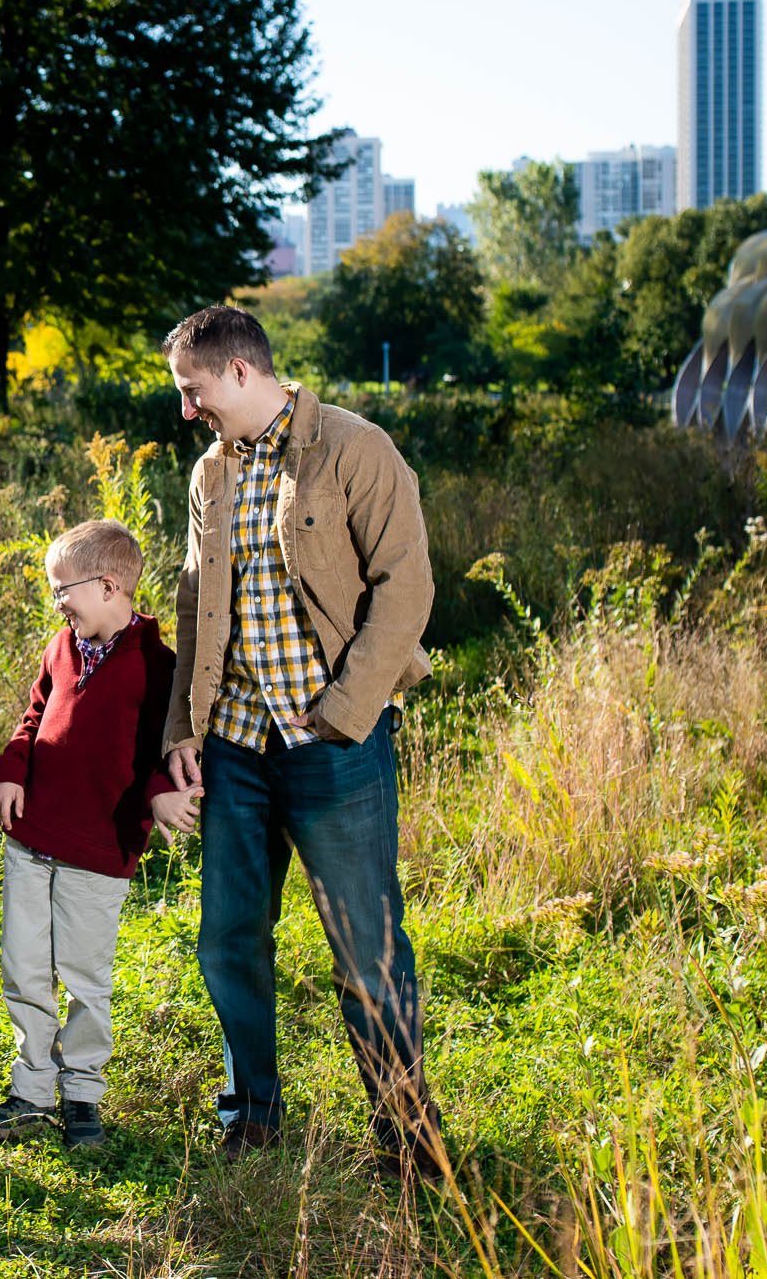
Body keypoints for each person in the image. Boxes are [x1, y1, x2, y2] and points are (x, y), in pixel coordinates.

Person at [157, 305, 444, 1176]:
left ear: (239, 373)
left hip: (334, 745)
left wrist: (348, 710)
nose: (186, 409)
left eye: (192, 390)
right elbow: (194, 603)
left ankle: (409, 1140)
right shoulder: (212, 472)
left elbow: (406, 587)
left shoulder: (357, 449)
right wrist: (182, 728)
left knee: (366, 948)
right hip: (237, 747)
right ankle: (254, 1115)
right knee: (229, 939)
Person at [0, 520, 203, 1149]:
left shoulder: (158, 667)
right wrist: (10, 772)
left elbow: (166, 745)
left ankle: (81, 1097)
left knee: (83, 977)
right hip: (32, 833)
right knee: (23, 967)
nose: (58, 603)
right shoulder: (61, 647)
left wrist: (160, 795)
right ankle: (32, 1091)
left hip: (99, 851)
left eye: (62, 591)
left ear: (106, 585)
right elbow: (32, 716)